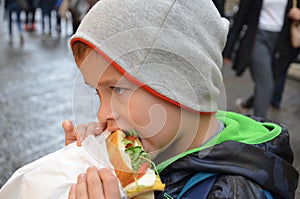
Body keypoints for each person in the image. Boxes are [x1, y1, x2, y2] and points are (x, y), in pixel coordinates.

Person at [60, 0, 299, 198]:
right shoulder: (160, 148)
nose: (102, 114)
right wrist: (87, 166)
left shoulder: (235, 192)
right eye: (97, 92)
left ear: (178, 85)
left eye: (117, 89)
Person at [223, 0, 300, 117]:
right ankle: (262, 126)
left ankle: (246, 104)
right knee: (266, 84)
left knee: (272, 86)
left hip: (282, 43)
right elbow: (240, 17)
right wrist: (228, 50)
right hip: (257, 39)